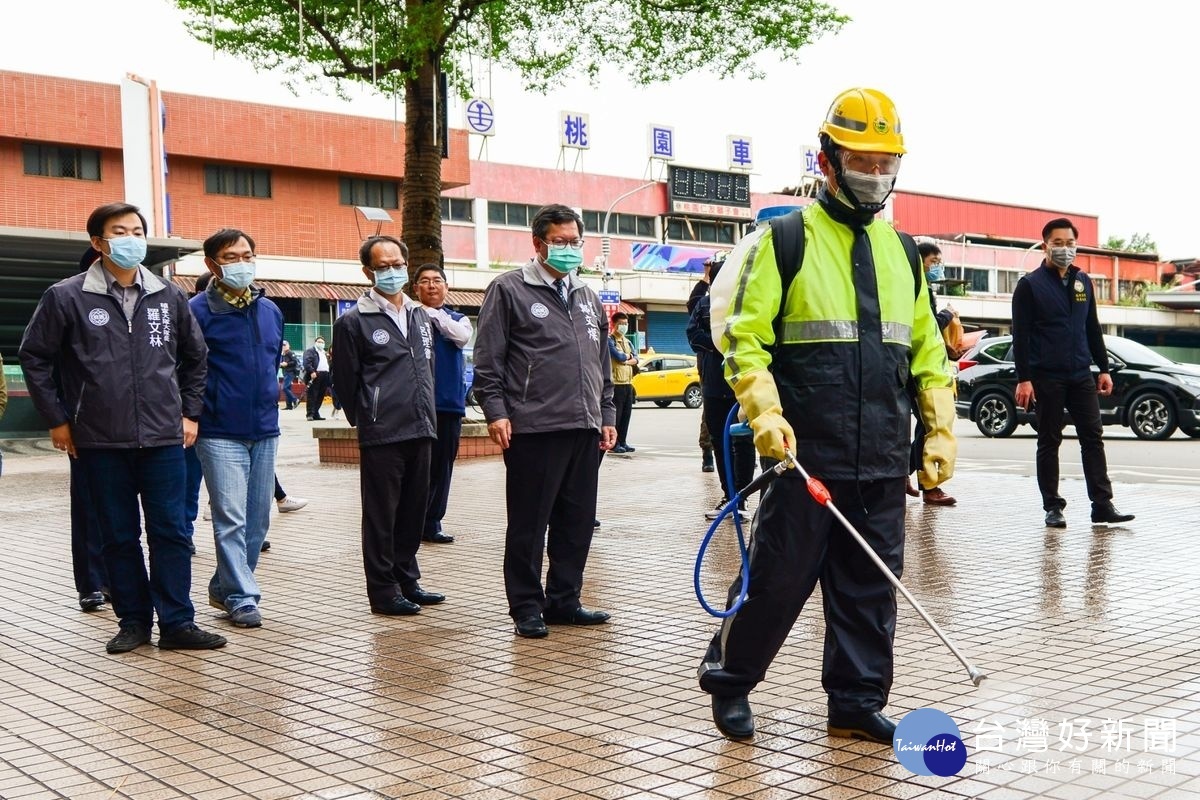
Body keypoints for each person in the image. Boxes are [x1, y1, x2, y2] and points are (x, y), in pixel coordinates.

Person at [696, 88, 956, 743]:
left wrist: (940, 430)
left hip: (879, 457)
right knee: (779, 581)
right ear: (827, 160)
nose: (875, 175)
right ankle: (729, 681)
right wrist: (765, 417)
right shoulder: (783, 241)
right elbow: (745, 340)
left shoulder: (902, 253)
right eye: (860, 160)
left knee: (870, 588)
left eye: (885, 162)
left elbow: (928, 349)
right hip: (801, 452)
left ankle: (856, 698)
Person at [19, 201, 226, 654]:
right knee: (117, 533)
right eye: (120, 231)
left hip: (164, 438)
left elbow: (196, 358)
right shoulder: (67, 296)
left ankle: (177, 622)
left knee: (171, 531)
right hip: (97, 438)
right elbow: (34, 357)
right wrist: (57, 419)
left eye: (137, 230)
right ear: (98, 242)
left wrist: (190, 413)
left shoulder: (168, 296)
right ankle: (133, 621)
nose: (131, 238)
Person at [473, 204, 617, 639]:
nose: (570, 249)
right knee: (530, 524)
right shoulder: (509, 289)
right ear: (538, 243)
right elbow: (488, 360)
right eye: (561, 242)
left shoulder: (588, 296)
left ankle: (564, 601)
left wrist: (607, 413)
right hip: (532, 427)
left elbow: (601, 363)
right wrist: (496, 411)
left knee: (576, 521)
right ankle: (526, 607)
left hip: (584, 426)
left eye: (575, 242)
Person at [332, 235, 445, 616]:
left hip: (422, 426)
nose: (393, 272)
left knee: (414, 510)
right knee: (382, 515)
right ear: (368, 271)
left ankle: (407, 578)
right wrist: (368, 417)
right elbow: (346, 383)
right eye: (383, 267)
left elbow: (427, 369)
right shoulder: (353, 321)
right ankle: (383, 591)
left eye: (398, 265)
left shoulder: (419, 315)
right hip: (383, 432)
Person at [1012, 217, 1135, 528]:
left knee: (1093, 437)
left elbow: (1091, 327)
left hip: (1081, 373)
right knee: (1049, 440)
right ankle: (1052, 506)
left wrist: (1103, 368)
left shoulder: (1083, 281)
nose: (1064, 249)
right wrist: (1024, 379)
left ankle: (1102, 504)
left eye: (1070, 243)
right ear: (1045, 245)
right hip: (1046, 376)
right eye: (1058, 243)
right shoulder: (1029, 286)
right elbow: (1021, 336)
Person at [189, 228, 284, 629]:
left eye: (247, 255)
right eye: (232, 257)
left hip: (264, 427)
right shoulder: (195, 311)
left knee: (258, 518)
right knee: (230, 515)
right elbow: (186, 369)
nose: (242, 263)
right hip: (217, 429)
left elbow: (271, 363)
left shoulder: (271, 311)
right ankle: (244, 597)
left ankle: (223, 585)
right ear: (212, 264)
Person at [687, 252, 753, 522]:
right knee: (720, 441)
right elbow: (693, 335)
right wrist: (722, 346)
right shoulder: (704, 304)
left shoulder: (748, 302)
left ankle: (742, 498)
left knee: (744, 440)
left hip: (744, 383)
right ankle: (730, 495)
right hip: (715, 385)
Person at [414, 262, 473, 545]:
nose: (432, 285)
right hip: (415, 405)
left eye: (437, 280)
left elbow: (461, 338)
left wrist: (434, 316)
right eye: (425, 281)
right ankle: (412, 520)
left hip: (448, 405)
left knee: (442, 465)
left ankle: (432, 520)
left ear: (446, 287)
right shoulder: (408, 317)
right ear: (415, 288)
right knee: (417, 466)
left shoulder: (458, 318)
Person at [906, 241, 959, 506]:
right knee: (929, 426)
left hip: (925, 365)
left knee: (924, 426)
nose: (937, 268)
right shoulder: (912, 286)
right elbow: (923, 328)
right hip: (916, 368)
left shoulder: (926, 288)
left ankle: (908, 476)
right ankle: (929, 485)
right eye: (933, 263)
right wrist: (947, 316)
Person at [688, 263, 717, 472]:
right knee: (711, 410)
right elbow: (693, 303)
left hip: (739, 364)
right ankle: (708, 453)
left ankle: (741, 448)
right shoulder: (706, 303)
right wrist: (707, 276)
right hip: (710, 366)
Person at [607, 312, 639, 453]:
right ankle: (614, 444)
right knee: (617, 416)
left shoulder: (628, 341)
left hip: (628, 383)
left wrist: (627, 359)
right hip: (616, 384)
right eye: (622, 324)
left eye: (626, 324)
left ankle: (623, 442)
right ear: (614, 324)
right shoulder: (610, 340)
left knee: (626, 415)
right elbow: (618, 356)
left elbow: (637, 359)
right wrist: (627, 358)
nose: (624, 326)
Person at [303, 335, 331, 420]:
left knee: (320, 395)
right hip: (315, 375)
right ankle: (310, 414)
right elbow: (307, 362)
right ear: (315, 342)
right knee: (312, 395)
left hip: (325, 375)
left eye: (322, 342)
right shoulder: (310, 351)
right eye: (319, 342)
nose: (321, 344)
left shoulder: (324, 353)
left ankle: (316, 413)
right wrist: (311, 371)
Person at [279, 340, 300, 410]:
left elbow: (295, 361)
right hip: (285, 372)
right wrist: (281, 365)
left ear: (288, 345)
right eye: (282, 345)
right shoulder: (283, 354)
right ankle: (289, 405)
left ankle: (295, 399)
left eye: (285, 345)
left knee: (284, 388)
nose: (283, 346)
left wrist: (287, 364)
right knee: (287, 388)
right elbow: (283, 364)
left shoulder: (290, 353)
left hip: (290, 372)